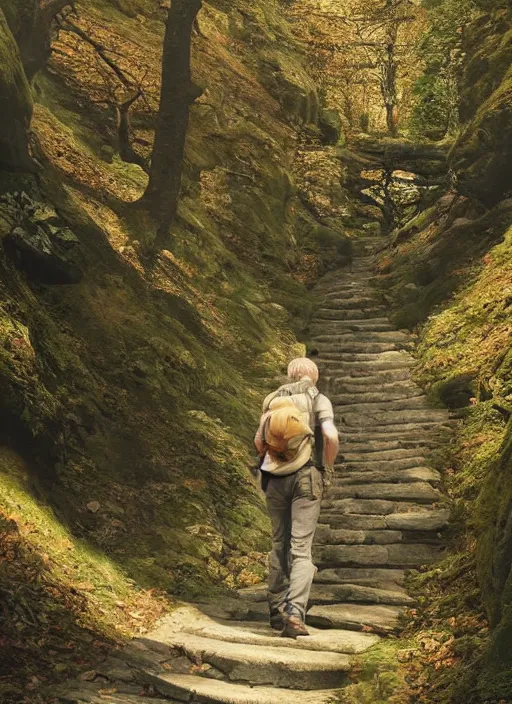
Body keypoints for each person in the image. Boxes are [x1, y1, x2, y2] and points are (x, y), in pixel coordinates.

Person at [254, 357, 339, 638]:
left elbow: (258, 442)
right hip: (306, 477)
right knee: (301, 548)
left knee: (279, 541)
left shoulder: (273, 399)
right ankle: (294, 615)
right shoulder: (318, 399)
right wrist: (327, 466)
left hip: (274, 479)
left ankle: (275, 609)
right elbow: (330, 435)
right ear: (313, 377)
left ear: (291, 375)